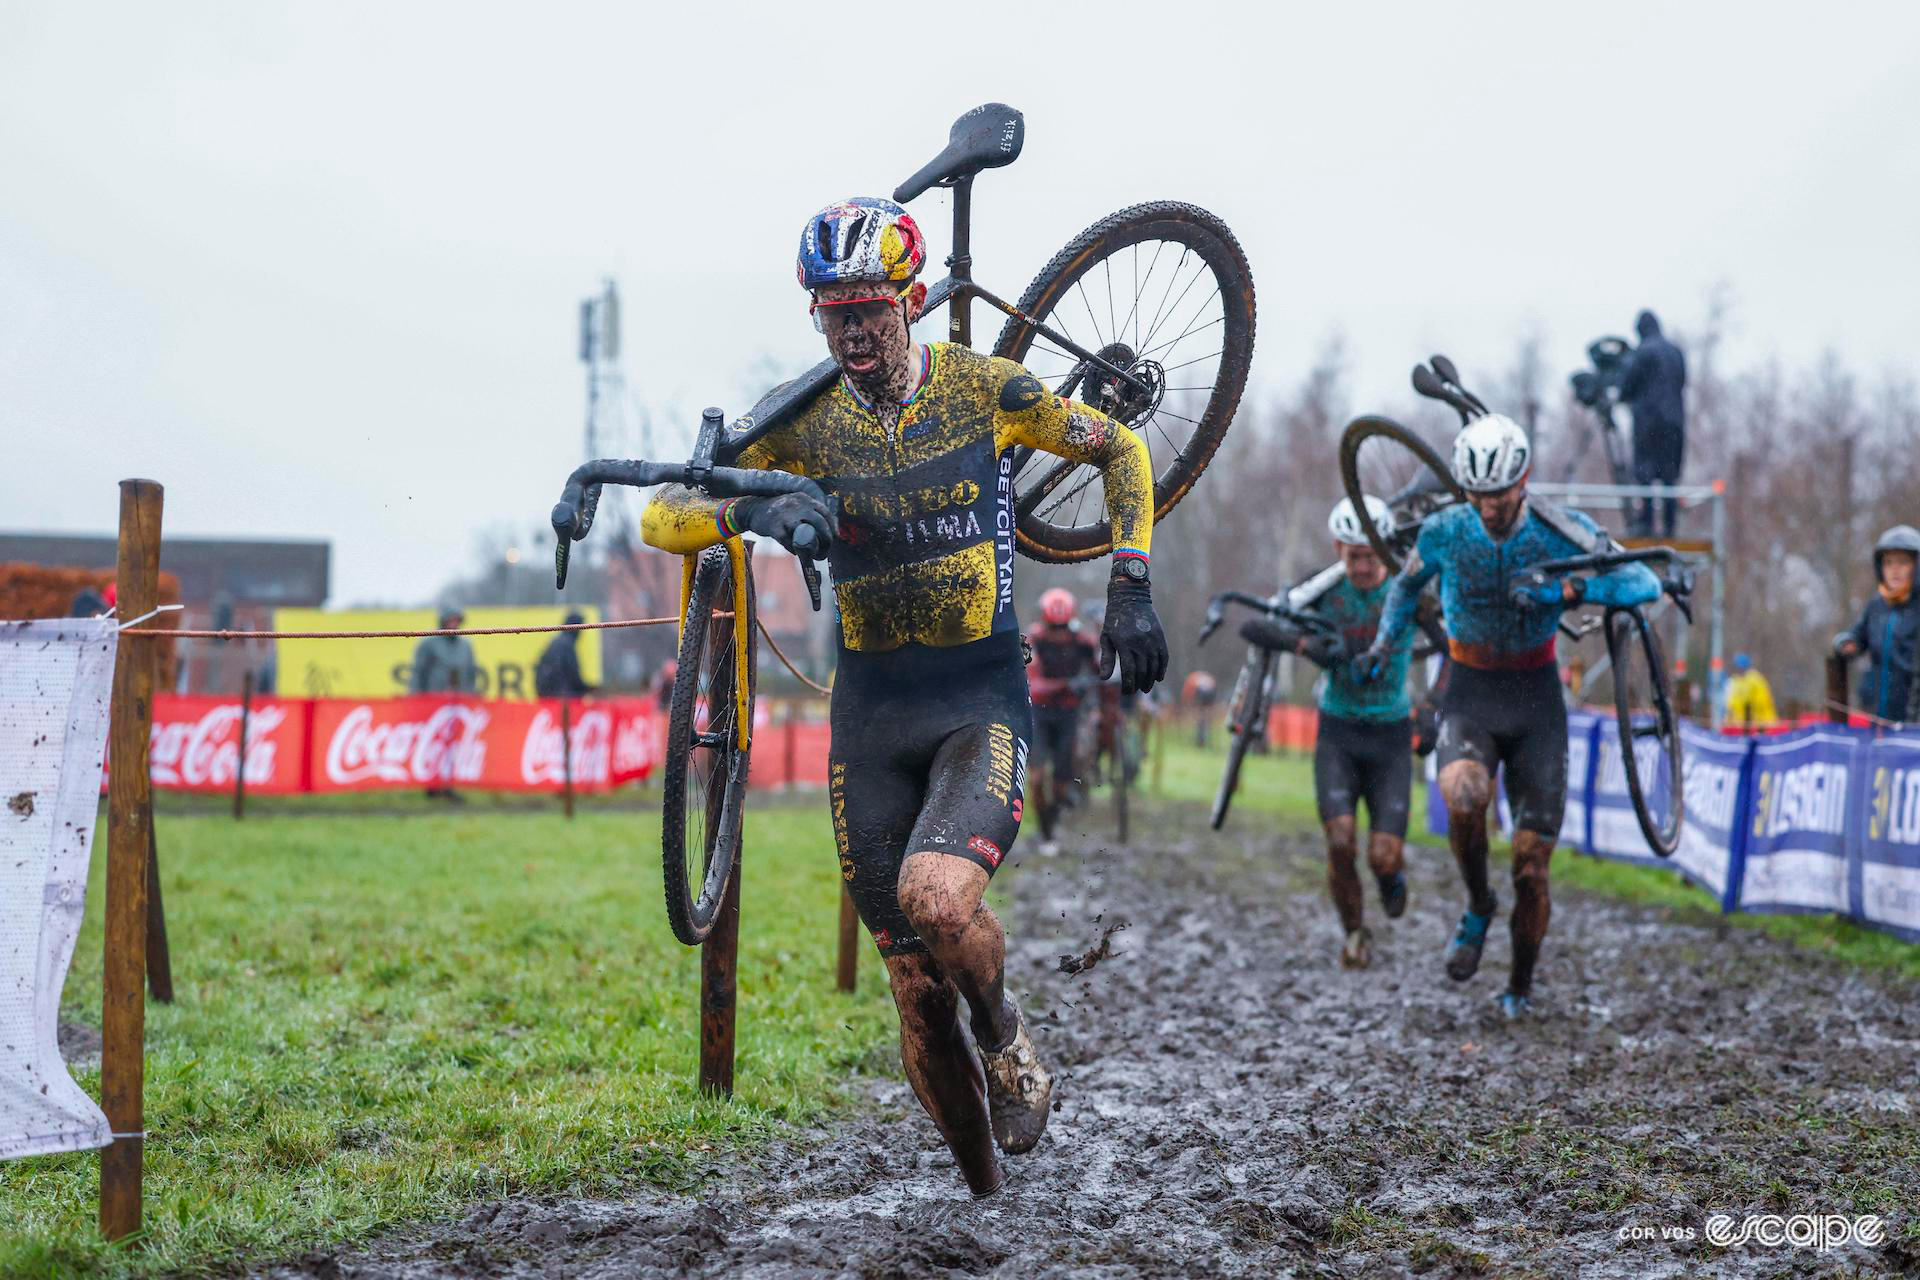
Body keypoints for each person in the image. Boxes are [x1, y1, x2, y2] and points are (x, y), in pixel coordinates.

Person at [640, 196, 1167, 1196]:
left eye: (870, 311)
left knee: (938, 896)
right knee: (915, 990)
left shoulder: (989, 390)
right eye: (831, 315)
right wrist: (761, 504)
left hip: (978, 699)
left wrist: (1131, 582)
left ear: (912, 300)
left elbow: (1120, 448)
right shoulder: (802, 420)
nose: (852, 333)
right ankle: (982, 1197)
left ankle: (1007, 1029)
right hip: (871, 719)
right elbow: (667, 515)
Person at [1357, 413, 1660, 1018]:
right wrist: (1383, 646)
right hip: (1470, 691)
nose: (1489, 508)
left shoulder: (1558, 530)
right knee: (1462, 794)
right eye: (1478, 497)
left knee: (1530, 862)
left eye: (1499, 495)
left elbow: (1641, 582)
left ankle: (1520, 983)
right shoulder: (1446, 530)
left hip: (1536, 698)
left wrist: (1565, 592)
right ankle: (1476, 904)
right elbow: (1402, 591)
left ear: (1523, 481)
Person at [1240, 496, 1443, 969]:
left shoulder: (1408, 590)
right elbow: (1255, 628)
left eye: (1372, 555)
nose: (1364, 566)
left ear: (1384, 548)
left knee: (1383, 856)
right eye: (1353, 556)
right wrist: (1308, 645)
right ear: (1338, 549)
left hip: (1391, 735)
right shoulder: (1324, 590)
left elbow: (1452, 646)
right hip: (1338, 733)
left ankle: (1392, 879)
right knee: (1340, 842)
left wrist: (1433, 707)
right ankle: (1354, 934)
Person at [1025, 587, 1100, 856]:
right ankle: (1044, 832)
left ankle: (1053, 825)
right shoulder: (1033, 639)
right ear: (1045, 623)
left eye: (1064, 628)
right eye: (1054, 628)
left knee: (1059, 781)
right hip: (1039, 714)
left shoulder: (1083, 642)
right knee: (1036, 778)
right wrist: (1068, 684)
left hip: (1069, 715)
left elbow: (1101, 669)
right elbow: (1034, 685)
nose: (1060, 635)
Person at [1833, 525, 1920, 724]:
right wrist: (1845, 642)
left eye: (1903, 562)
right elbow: (1858, 636)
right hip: (1877, 712)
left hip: (1911, 715)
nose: (1894, 569)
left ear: (1917, 565)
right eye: (1888, 563)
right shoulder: (1877, 605)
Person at [1618, 310, 1687, 538]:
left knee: (1644, 472)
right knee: (1669, 475)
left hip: (1648, 422)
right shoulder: (1676, 352)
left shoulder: (1643, 352)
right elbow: (1683, 380)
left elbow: (1627, 386)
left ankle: (1646, 524)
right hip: (1675, 423)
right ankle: (1670, 527)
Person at [412, 606, 478, 800]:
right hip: (433, 703)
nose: (454, 624)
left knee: (453, 746)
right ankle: (432, 785)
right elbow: (419, 673)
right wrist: (418, 698)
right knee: (434, 743)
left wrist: (469, 696)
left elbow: (471, 674)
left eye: (457, 620)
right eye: (450, 620)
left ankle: (449, 784)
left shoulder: (465, 646)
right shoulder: (429, 644)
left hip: (458, 703)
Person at [534, 610, 595, 699]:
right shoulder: (566, 645)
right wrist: (586, 689)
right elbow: (573, 675)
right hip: (560, 697)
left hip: (549, 695)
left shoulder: (556, 642)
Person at [1722, 652, 1777, 729]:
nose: (1737, 670)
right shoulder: (1736, 681)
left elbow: (1762, 701)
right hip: (1741, 725)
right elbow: (1732, 703)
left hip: (1761, 724)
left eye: (1738, 667)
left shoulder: (1755, 679)